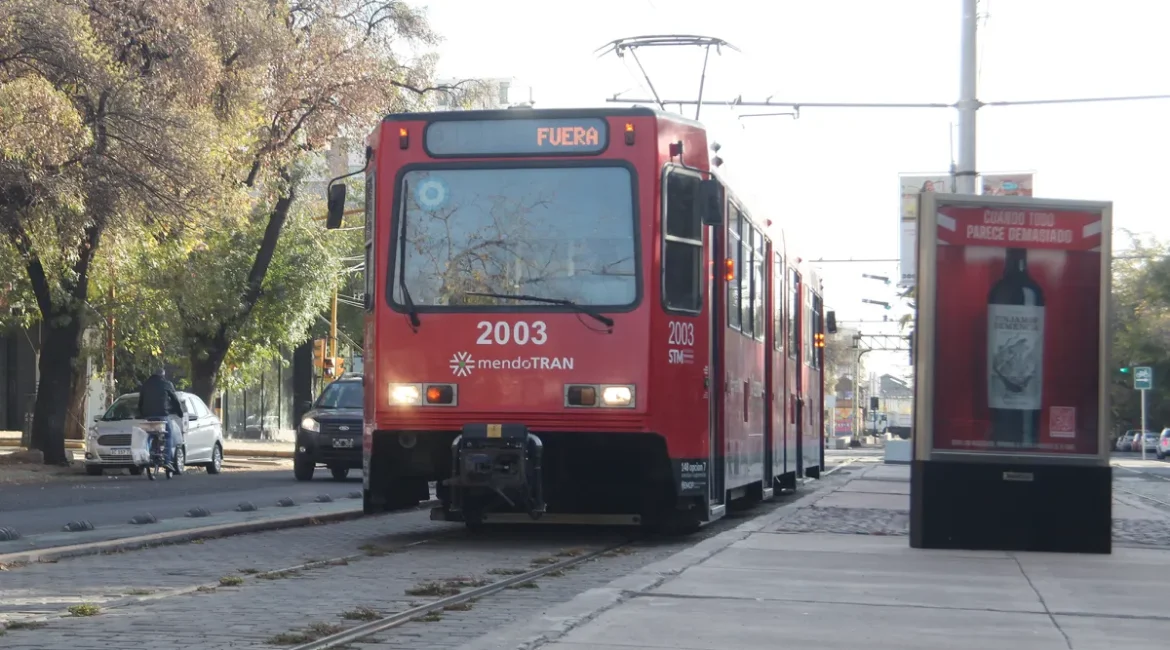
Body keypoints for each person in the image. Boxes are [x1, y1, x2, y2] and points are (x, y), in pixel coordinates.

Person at [137, 368, 184, 474]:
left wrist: (141, 413)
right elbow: (175, 400)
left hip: (148, 416)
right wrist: (179, 413)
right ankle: (167, 460)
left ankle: (146, 456)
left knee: (148, 435)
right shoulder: (166, 384)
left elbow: (140, 401)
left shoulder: (146, 385)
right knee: (168, 435)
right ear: (163, 375)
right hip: (163, 415)